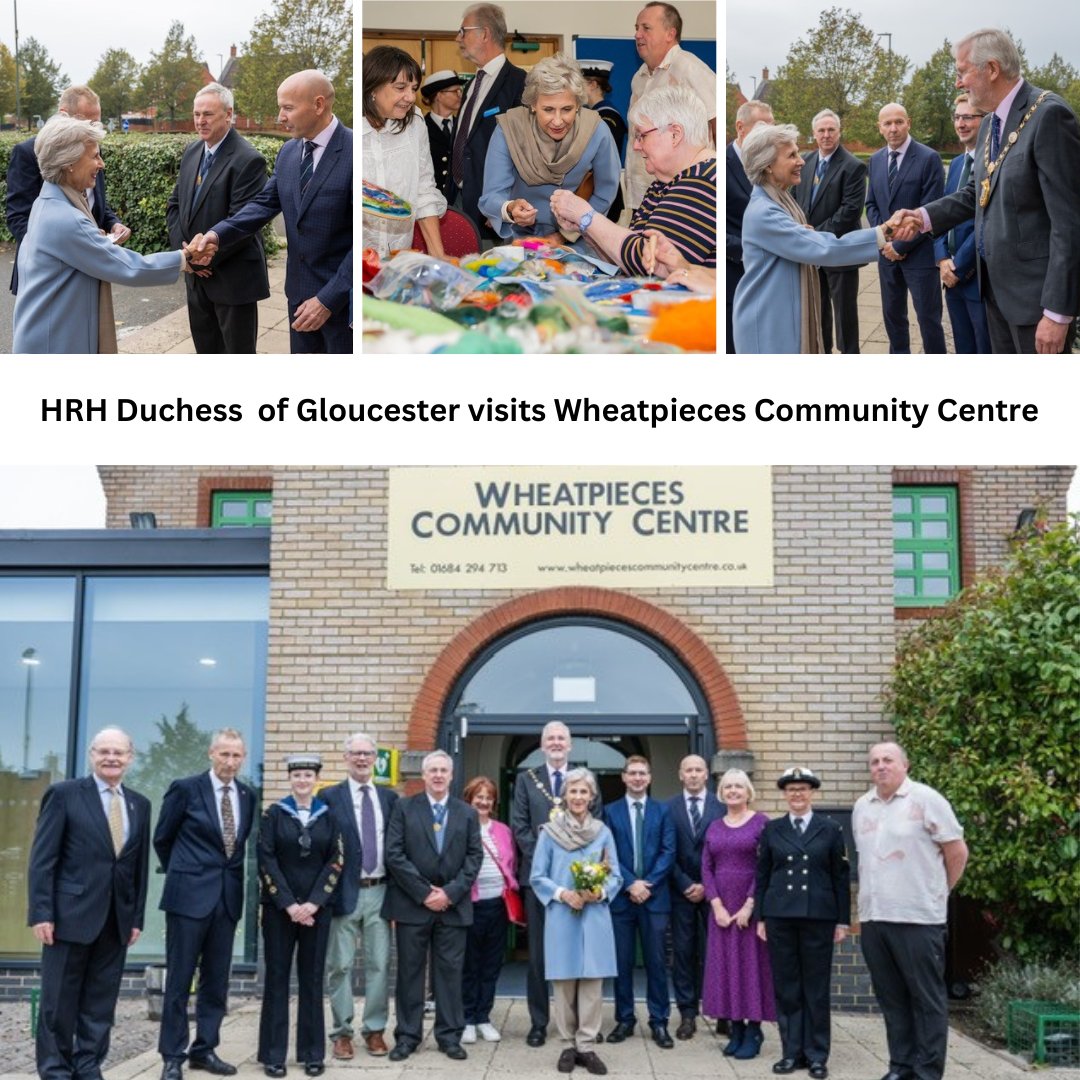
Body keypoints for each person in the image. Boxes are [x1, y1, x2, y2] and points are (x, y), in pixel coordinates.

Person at [890, 28, 1080, 354]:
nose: (958, 82)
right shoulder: (992, 124)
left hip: (1036, 305)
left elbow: (1070, 222)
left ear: (991, 69)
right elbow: (974, 193)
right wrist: (922, 216)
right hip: (994, 294)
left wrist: (1058, 313)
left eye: (962, 71)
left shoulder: (1048, 115)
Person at [186, 70, 351, 354]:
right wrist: (216, 235)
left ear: (319, 104)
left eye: (288, 108)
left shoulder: (354, 151)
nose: (280, 117)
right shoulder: (288, 153)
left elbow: (364, 240)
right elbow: (262, 205)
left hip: (340, 302)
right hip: (298, 297)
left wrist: (328, 299)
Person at [11, 115, 197, 354]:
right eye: (95, 156)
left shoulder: (47, 202)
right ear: (70, 162)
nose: (102, 164)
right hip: (54, 344)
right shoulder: (66, 218)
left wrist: (90, 238)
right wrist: (184, 257)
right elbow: (130, 267)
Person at [28, 727, 150, 1080]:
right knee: (58, 1002)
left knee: (100, 1003)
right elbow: (42, 859)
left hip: (116, 920)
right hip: (68, 918)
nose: (111, 758)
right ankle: (55, 1070)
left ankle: (88, 1066)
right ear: (91, 755)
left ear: (130, 758)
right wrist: (41, 911)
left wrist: (136, 917)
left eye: (119, 752)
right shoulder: (64, 794)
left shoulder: (138, 804)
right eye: (104, 751)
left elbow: (137, 867)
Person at [853, 742, 968, 1080]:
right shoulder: (862, 806)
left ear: (905, 764)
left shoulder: (926, 800)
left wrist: (938, 891)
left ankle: (928, 1071)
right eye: (874, 761)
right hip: (875, 918)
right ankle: (901, 1066)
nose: (880, 766)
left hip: (918, 919)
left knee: (926, 1000)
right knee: (892, 999)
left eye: (888, 760)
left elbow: (957, 851)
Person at [732, 123, 889, 354]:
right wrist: (881, 234)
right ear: (767, 166)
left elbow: (801, 241)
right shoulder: (765, 211)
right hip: (767, 323)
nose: (801, 161)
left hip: (777, 315)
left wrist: (801, 234)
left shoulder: (779, 201)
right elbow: (825, 249)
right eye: (791, 155)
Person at [155, 729, 256, 1080]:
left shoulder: (247, 794)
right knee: (180, 980)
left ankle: (204, 1049)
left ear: (243, 758)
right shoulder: (185, 788)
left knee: (216, 982)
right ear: (211, 753)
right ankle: (172, 1055)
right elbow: (163, 838)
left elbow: (237, 846)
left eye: (236, 756)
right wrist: (187, 875)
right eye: (224, 754)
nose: (230, 762)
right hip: (188, 899)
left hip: (226, 900)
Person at [549, 85, 715, 274]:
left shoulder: (702, 182)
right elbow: (624, 261)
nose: (636, 146)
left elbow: (651, 265)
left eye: (641, 136)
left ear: (675, 134)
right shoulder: (664, 183)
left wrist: (587, 217)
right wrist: (584, 227)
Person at [382, 750, 482, 1062]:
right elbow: (394, 854)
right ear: (423, 776)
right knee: (410, 973)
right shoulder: (404, 808)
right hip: (412, 905)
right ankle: (408, 1036)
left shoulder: (466, 813)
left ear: (452, 776)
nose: (438, 775)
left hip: (452, 907)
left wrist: (449, 893)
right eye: (432, 770)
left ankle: (449, 1036)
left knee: (449, 974)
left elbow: (474, 857)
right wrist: (425, 893)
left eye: (443, 770)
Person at [755, 768, 850, 1080]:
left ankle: (817, 1055)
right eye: (791, 789)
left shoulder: (830, 829)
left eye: (803, 789)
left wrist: (843, 921)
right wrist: (761, 918)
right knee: (787, 988)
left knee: (816, 989)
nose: (797, 794)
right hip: (780, 916)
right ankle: (791, 1052)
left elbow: (840, 877)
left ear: (813, 793)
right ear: (785, 794)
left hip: (818, 918)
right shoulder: (773, 830)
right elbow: (763, 875)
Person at [512, 720, 600, 1048]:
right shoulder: (526, 780)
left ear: (570, 744)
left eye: (562, 738)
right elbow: (519, 827)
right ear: (542, 743)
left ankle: (580, 1024)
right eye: (551, 738)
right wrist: (549, 864)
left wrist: (577, 872)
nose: (557, 743)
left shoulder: (585, 781)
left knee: (578, 952)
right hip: (539, 882)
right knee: (538, 956)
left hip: (580, 884)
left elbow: (596, 824)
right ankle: (538, 1022)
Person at [530, 768, 621, 1077]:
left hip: (594, 915)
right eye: (573, 791)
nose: (579, 797)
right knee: (565, 983)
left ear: (592, 797)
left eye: (584, 792)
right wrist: (563, 893)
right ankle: (568, 1044)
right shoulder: (549, 832)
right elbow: (537, 876)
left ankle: (587, 1045)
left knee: (593, 983)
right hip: (562, 914)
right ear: (565, 796)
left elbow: (616, 875)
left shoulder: (603, 832)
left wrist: (601, 891)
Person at [165, 82, 270, 353]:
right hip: (196, 278)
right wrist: (187, 255)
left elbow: (244, 221)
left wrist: (202, 258)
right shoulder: (192, 151)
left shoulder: (248, 160)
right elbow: (175, 205)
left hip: (232, 281)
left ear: (228, 114)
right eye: (197, 114)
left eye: (208, 114)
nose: (200, 121)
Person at [257, 754, 344, 1079]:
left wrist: (314, 903)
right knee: (277, 981)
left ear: (316, 779)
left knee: (312, 981)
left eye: (308, 775)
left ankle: (311, 1054)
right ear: (290, 780)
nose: (302, 780)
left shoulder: (329, 817)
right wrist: (290, 905)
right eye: (297, 775)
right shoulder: (274, 815)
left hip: (317, 913)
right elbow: (266, 860)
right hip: (280, 911)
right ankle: (273, 1054)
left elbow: (336, 861)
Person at [478, 54, 620, 246]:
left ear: (578, 104)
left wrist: (566, 235)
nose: (558, 120)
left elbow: (605, 193)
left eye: (567, 109)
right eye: (548, 109)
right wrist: (510, 208)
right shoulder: (509, 128)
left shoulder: (596, 130)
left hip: (578, 237)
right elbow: (491, 196)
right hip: (522, 238)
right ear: (533, 104)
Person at [6, 85, 128, 295]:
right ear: (64, 115)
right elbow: (18, 218)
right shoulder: (28, 153)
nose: (94, 129)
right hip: (45, 277)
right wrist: (72, 241)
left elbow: (95, 202)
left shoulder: (92, 150)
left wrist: (113, 223)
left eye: (96, 122)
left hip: (89, 272)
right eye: (87, 121)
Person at [321, 733, 398, 1060]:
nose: (362, 759)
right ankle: (341, 1033)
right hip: (343, 892)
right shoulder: (329, 796)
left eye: (368, 753)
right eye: (356, 753)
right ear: (345, 757)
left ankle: (375, 1030)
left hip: (380, 890)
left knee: (380, 964)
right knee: (339, 965)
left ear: (375, 758)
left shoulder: (389, 798)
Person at [701, 768, 774, 1061]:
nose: (733, 791)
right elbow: (706, 867)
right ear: (721, 792)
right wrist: (716, 904)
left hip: (749, 909)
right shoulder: (715, 826)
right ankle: (736, 1028)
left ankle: (754, 1029)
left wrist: (749, 905)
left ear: (748, 792)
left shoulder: (761, 823)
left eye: (738, 787)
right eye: (728, 787)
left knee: (751, 967)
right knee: (726, 967)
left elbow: (765, 866)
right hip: (721, 909)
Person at [604, 755, 675, 1048]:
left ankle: (659, 1021)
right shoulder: (610, 812)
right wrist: (631, 882)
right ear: (623, 777)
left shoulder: (663, 811)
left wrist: (648, 883)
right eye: (632, 773)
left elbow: (668, 851)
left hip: (655, 898)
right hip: (622, 898)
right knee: (621, 963)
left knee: (657, 963)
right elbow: (608, 854)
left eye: (642, 773)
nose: (637, 778)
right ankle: (625, 1019)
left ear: (649, 777)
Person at [864, 103, 946, 354]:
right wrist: (885, 241)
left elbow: (930, 208)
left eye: (898, 122)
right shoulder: (876, 160)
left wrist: (899, 245)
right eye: (887, 123)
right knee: (893, 318)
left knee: (928, 320)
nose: (893, 128)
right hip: (887, 257)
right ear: (879, 128)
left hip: (919, 256)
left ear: (908, 122)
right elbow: (872, 204)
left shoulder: (928, 158)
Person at [626, 3, 716, 210]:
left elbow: (716, 118)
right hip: (645, 193)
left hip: (681, 194)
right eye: (636, 28)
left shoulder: (688, 67)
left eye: (646, 28)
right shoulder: (638, 76)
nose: (638, 35)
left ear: (670, 33)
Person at [794, 109, 869, 354]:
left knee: (845, 317)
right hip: (812, 255)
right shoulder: (804, 163)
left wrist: (815, 235)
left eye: (831, 130)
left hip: (840, 253)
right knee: (819, 313)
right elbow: (795, 201)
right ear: (814, 134)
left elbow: (849, 212)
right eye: (821, 130)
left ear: (839, 132)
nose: (826, 135)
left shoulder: (853, 166)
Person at [362, 48, 447, 260]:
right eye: (400, 87)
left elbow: (423, 188)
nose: (410, 97)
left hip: (397, 256)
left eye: (414, 88)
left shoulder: (415, 121)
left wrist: (438, 254)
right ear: (372, 87)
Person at [451, 4, 527, 240]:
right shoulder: (471, 85)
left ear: (484, 33)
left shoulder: (519, 83)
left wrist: (501, 205)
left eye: (463, 31)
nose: (458, 38)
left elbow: (524, 151)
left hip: (493, 209)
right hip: (458, 200)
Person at [665, 754, 724, 1040]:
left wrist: (706, 885)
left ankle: (723, 1013)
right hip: (681, 892)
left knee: (717, 952)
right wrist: (687, 883)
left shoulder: (722, 807)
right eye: (688, 770)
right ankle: (687, 1014)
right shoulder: (669, 809)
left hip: (716, 895)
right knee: (684, 954)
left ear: (707, 774)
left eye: (698, 770)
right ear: (680, 774)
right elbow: (666, 852)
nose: (693, 774)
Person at [461, 775, 518, 1044]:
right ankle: (467, 1018)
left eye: (488, 797)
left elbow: (511, 864)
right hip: (470, 905)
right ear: (469, 800)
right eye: (478, 797)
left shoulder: (503, 830)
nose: (483, 802)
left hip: (498, 905)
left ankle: (484, 1017)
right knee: (470, 966)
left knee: (491, 965)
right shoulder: (459, 826)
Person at [932, 94, 991, 354]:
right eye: (957, 117)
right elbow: (946, 213)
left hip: (978, 277)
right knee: (963, 349)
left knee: (984, 350)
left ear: (985, 120)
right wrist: (942, 258)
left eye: (968, 117)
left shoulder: (992, 164)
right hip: (950, 276)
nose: (961, 123)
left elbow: (986, 222)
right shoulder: (956, 164)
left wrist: (958, 267)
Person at [726, 99, 774, 352]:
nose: (769, 134)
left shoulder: (772, 165)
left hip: (770, 280)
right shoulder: (720, 167)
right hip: (734, 277)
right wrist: (750, 251)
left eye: (772, 127)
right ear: (740, 128)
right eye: (762, 127)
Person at [580, 60, 627, 223]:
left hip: (605, 195)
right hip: (592, 191)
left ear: (593, 84)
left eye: (580, 84)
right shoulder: (593, 114)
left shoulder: (608, 116)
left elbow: (601, 159)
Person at [421, 70, 464, 203]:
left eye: (460, 90)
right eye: (455, 91)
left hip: (461, 200)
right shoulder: (421, 128)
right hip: (432, 200)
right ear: (439, 95)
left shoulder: (464, 125)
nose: (460, 95)